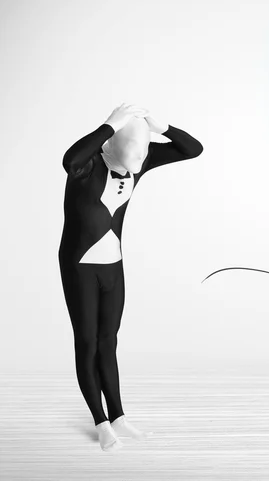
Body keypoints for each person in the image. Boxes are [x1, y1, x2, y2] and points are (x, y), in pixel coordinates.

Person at [58, 103, 203, 451]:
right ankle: (101, 422)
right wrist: (109, 125)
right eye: (130, 151)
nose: (136, 160)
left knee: (109, 340)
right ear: (113, 146)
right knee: (88, 342)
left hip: (114, 265)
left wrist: (161, 125)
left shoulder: (138, 162)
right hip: (80, 266)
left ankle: (119, 416)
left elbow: (192, 149)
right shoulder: (89, 164)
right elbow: (70, 160)